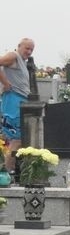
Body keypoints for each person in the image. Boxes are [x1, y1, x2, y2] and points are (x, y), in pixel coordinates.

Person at [0, 38, 35, 172]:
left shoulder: (22, 62)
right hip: (13, 101)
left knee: (10, 140)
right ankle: (6, 172)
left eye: (32, 49)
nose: (29, 51)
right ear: (19, 46)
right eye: (27, 48)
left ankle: (6, 171)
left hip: (18, 101)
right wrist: (5, 83)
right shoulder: (13, 56)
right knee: (17, 139)